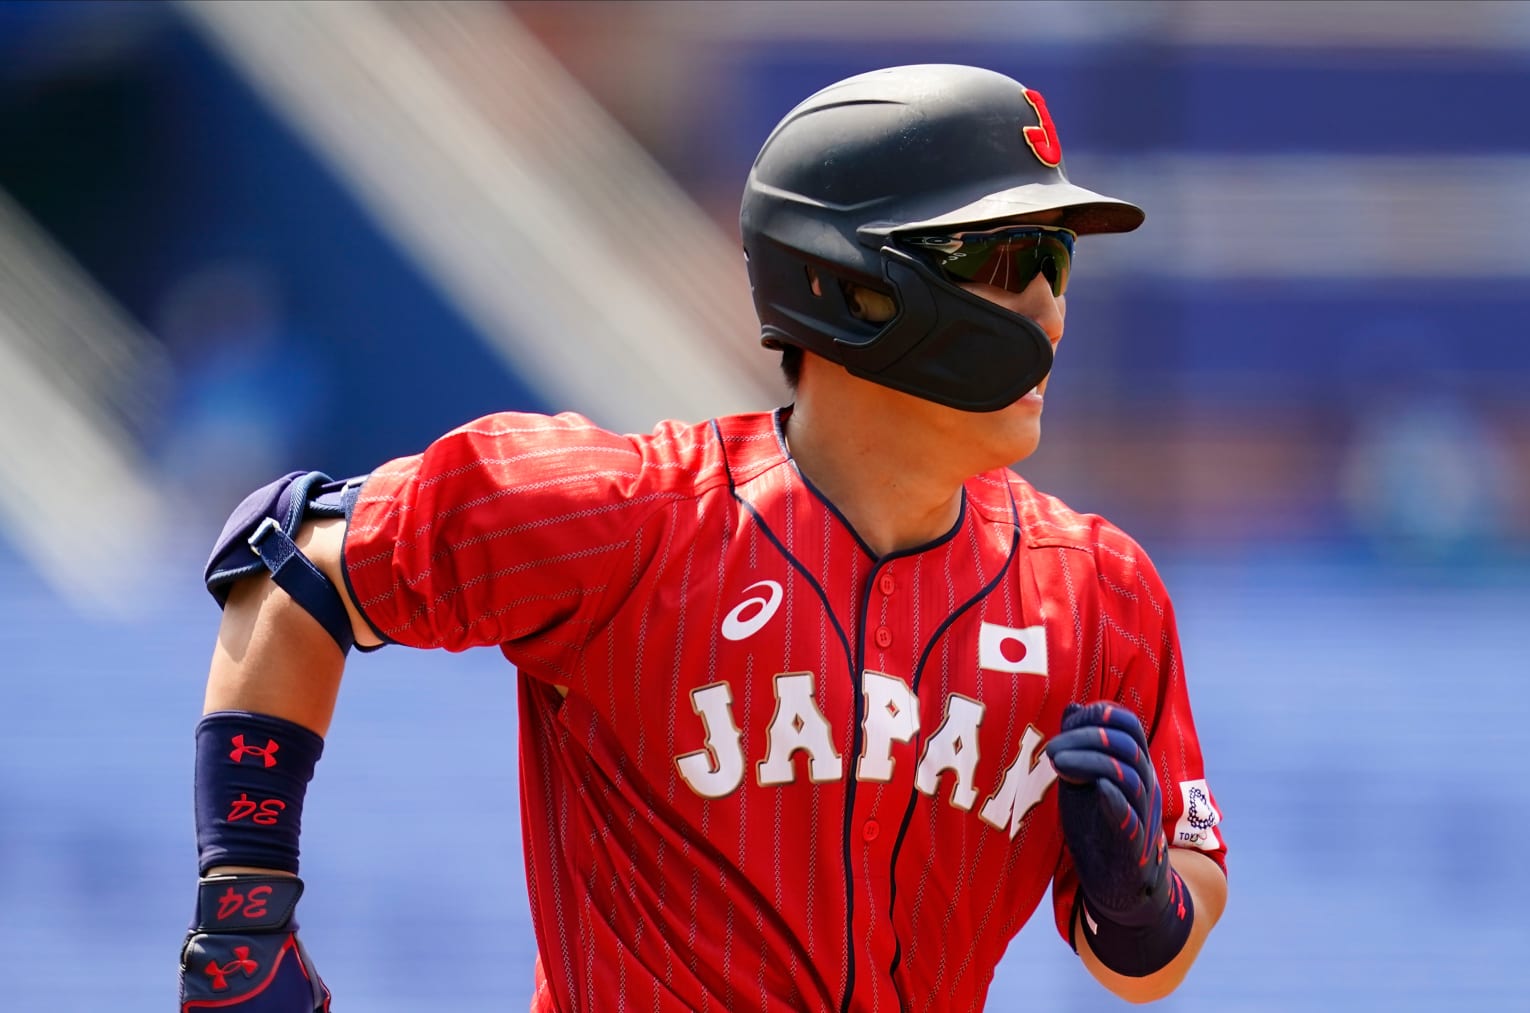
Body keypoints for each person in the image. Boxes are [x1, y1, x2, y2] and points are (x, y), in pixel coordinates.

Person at [179, 64, 1228, 1013]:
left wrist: (1141, 903)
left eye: (1057, 261)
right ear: (851, 282)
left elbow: (1154, 952)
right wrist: (246, 908)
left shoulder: (1099, 588)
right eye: (1004, 258)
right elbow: (294, 559)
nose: (1047, 307)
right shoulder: (622, 513)